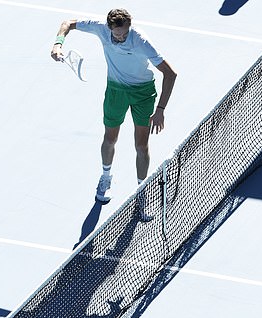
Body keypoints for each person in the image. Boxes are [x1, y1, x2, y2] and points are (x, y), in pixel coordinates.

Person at [51, 8, 177, 205]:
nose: (120, 37)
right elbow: (67, 24)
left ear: (129, 26)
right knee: (110, 138)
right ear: (109, 27)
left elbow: (170, 74)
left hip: (142, 94)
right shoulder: (101, 28)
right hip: (115, 91)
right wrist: (58, 44)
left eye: (125, 32)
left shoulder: (141, 41)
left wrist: (160, 110)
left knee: (141, 145)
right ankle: (105, 177)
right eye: (117, 33)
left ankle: (141, 191)